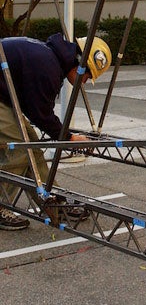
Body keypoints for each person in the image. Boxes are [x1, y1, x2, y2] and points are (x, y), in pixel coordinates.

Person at [0, 33, 112, 230]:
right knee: (20, 148)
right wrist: (69, 137)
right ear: (79, 62)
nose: (84, 82)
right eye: (88, 75)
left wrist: (65, 135)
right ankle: (1, 207)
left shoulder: (49, 58)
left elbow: (37, 109)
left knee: (32, 149)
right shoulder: (48, 66)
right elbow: (41, 114)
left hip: (4, 97)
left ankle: (54, 202)